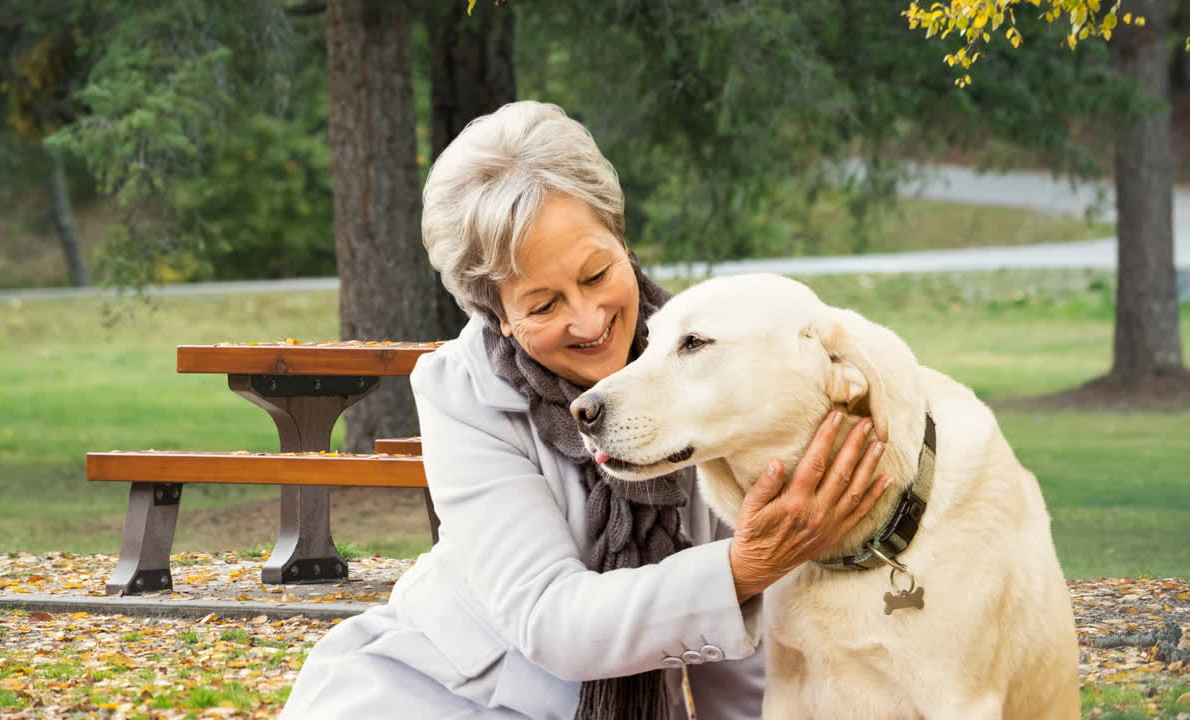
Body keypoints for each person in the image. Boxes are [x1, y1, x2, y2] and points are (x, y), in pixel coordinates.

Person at [279, 101, 890, 720]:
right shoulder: (459, 391)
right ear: (499, 319)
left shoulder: (715, 357)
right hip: (431, 695)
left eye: (598, 274)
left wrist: (755, 569)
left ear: (622, 241)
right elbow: (550, 618)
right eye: (543, 306)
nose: (589, 321)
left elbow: (749, 655)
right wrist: (741, 567)